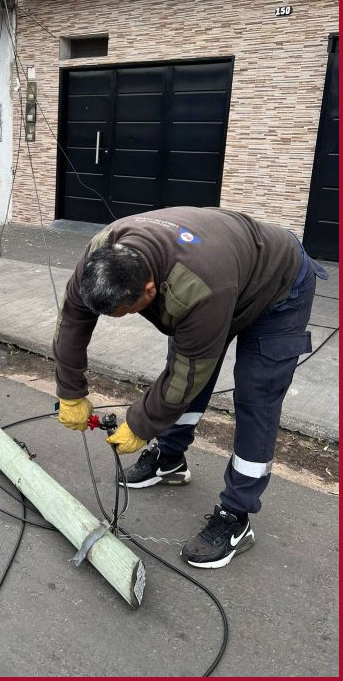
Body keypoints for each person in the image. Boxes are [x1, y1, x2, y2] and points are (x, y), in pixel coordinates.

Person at [54, 206, 327, 569]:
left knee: (255, 397)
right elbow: (73, 319)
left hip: (278, 288)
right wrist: (70, 391)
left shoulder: (197, 287)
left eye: (124, 311)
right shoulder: (102, 252)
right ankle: (170, 460)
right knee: (187, 373)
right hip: (228, 270)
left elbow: (188, 371)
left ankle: (237, 516)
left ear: (149, 290)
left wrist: (139, 424)